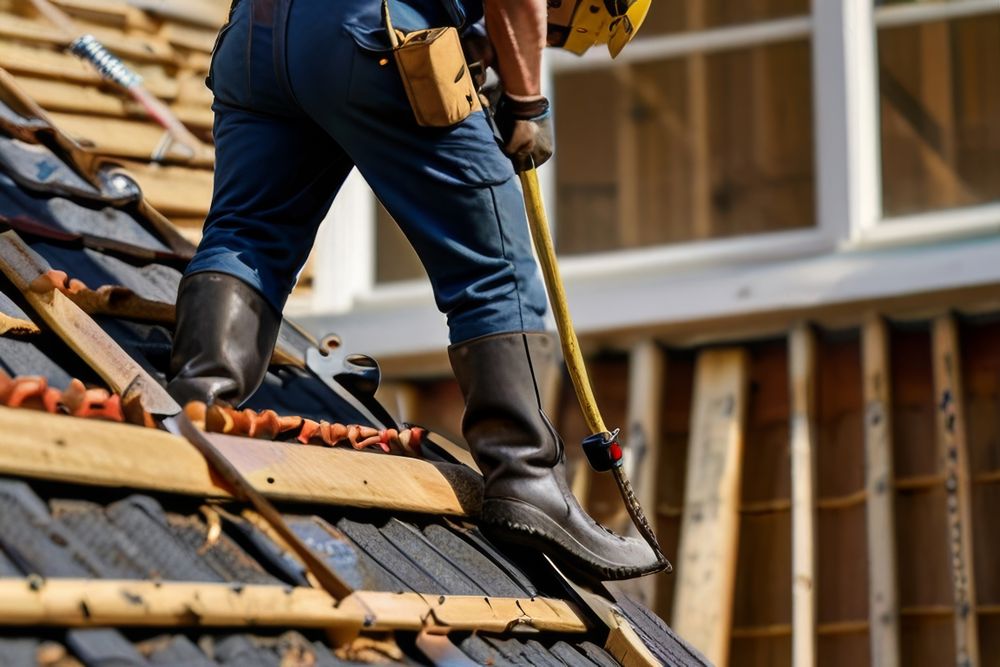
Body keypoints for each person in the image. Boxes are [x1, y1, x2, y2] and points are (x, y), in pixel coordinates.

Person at [168, 0, 666, 581]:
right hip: (367, 34)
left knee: (248, 232)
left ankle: (198, 400)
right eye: (555, 31)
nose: (546, 41)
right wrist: (528, 102)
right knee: (494, 266)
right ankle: (526, 478)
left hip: (256, 37)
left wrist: (474, 51)